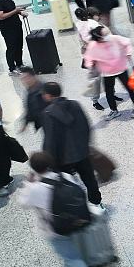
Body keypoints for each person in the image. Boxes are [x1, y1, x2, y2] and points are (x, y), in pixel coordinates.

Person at [17, 152, 110, 267]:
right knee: (69, 251)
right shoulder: (64, 176)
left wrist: (28, 183)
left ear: (34, 168)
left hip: (55, 229)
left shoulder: (34, 188)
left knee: (72, 257)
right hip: (76, 221)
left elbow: (23, 203)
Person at [40, 82, 105, 212]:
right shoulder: (75, 104)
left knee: (68, 184)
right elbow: (86, 127)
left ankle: (76, 208)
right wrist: (84, 145)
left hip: (63, 158)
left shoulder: (47, 113)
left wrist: (49, 160)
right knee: (90, 179)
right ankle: (97, 203)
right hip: (82, 152)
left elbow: (51, 140)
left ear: (48, 95)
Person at [82, 26, 134, 120]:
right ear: (99, 38)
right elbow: (88, 57)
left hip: (121, 68)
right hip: (107, 72)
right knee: (109, 92)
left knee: (130, 88)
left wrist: (128, 53)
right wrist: (90, 66)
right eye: (105, 35)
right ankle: (114, 110)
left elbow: (127, 42)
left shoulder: (114, 38)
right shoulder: (93, 45)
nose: (108, 36)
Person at [0, 0, 26, 74]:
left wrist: (20, 12)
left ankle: (19, 64)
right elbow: (1, 16)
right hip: (7, 28)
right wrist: (15, 11)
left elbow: (12, 9)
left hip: (16, 24)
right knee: (11, 47)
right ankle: (12, 68)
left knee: (19, 45)